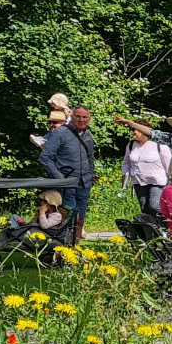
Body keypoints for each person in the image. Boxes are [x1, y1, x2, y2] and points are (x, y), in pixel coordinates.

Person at [39, 103, 96, 244]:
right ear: (72, 117)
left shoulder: (88, 135)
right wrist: (60, 179)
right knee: (69, 216)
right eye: (78, 117)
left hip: (84, 183)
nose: (82, 120)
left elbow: (90, 157)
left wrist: (91, 175)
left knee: (81, 217)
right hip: (66, 184)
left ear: (89, 119)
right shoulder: (61, 133)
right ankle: (62, 247)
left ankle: (74, 247)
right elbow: (45, 158)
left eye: (85, 117)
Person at [120, 119, 171, 218]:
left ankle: (166, 223)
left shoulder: (159, 145)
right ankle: (152, 230)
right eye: (133, 130)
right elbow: (126, 162)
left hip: (158, 182)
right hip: (139, 182)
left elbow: (169, 164)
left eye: (137, 130)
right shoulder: (131, 145)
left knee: (155, 206)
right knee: (145, 209)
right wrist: (125, 176)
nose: (134, 132)